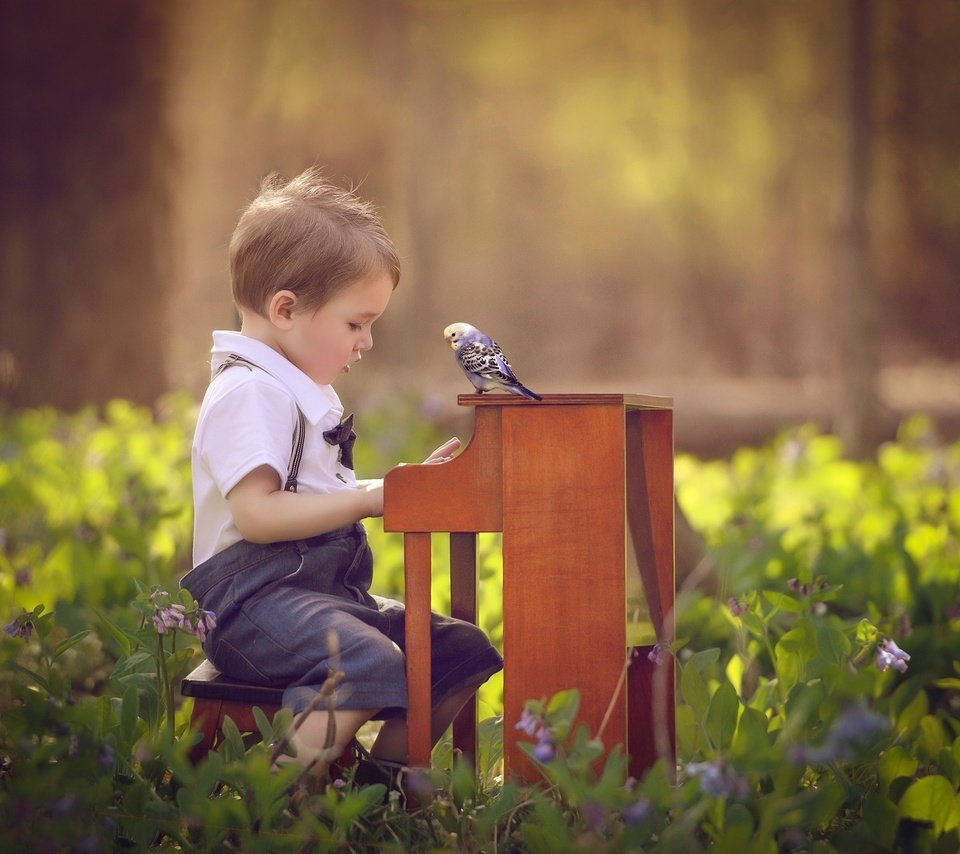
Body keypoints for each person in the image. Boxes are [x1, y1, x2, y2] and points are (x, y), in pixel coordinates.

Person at [180, 167, 503, 778]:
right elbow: (259, 514)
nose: (367, 342)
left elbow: (313, 496)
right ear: (285, 309)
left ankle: (377, 795)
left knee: (459, 650)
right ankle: (276, 807)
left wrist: (399, 487)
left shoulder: (294, 390)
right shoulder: (248, 392)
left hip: (317, 595)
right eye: (356, 323)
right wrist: (370, 500)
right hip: (251, 605)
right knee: (367, 659)